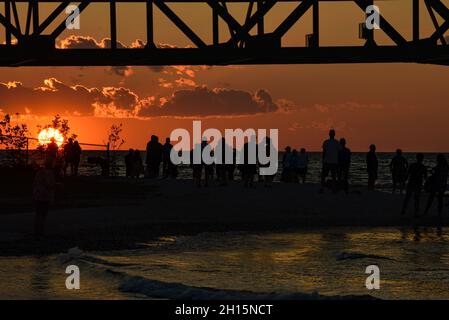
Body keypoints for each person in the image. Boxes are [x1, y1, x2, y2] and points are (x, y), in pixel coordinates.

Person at [33, 157, 56, 238]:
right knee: (43, 214)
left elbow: (35, 183)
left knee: (38, 214)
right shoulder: (49, 173)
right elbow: (49, 185)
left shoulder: (39, 172)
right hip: (44, 195)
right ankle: (41, 232)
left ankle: (37, 231)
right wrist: (56, 185)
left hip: (37, 194)